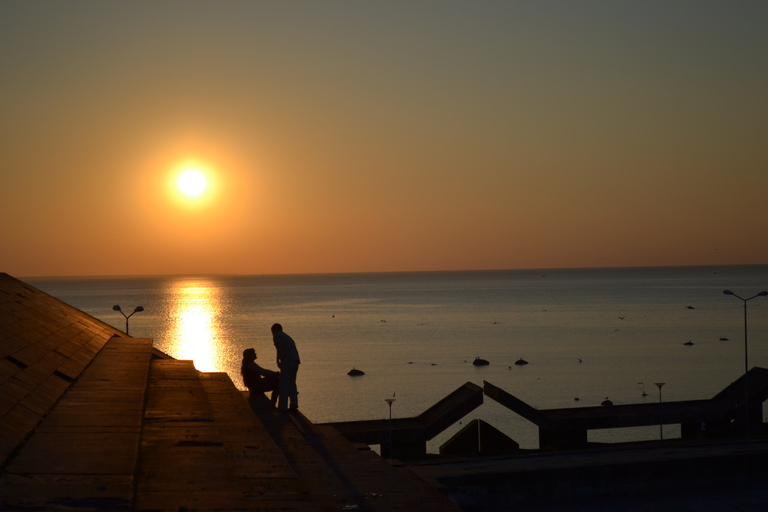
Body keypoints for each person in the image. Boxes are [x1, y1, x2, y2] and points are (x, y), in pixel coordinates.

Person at [271, 323, 300, 411]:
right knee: (292, 383)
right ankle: (294, 405)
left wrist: (278, 361)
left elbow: (279, 349)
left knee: (284, 383)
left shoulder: (277, 335)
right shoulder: (286, 337)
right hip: (295, 360)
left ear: (275, 329)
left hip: (288, 361)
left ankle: (282, 407)